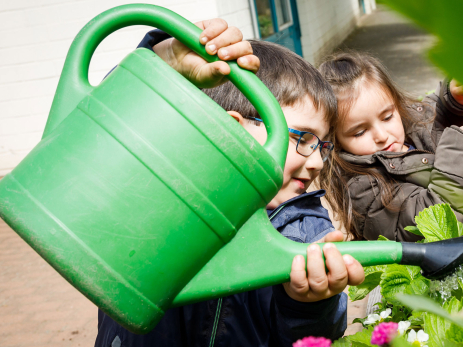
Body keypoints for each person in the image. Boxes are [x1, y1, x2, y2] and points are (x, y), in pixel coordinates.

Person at [95, 20, 365, 347]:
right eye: (304, 139)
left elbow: (318, 334)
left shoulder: (303, 232)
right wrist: (162, 61)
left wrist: (309, 303)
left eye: (323, 145)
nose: (318, 162)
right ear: (233, 128)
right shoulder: (161, 180)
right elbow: (105, 122)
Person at [318, 52, 463, 242]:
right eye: (360, 132)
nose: (382, 135)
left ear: (397, 104)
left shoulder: (408, 121)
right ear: (335, 140)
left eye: (387, 117)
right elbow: (440, 220)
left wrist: (452, 100)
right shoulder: (362, 190)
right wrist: (462, 147)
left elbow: (431, 112)